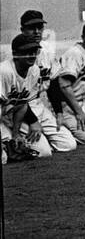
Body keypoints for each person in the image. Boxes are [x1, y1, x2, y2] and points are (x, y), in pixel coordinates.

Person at [19, 9, 77, 153]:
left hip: (39, 105)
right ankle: (15, 143)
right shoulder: (16, 53)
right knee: (44, 152)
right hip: (19, 108)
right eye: (32, 28)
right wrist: (33, 121)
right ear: (22, 30)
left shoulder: (46, 51)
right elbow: (17, 98)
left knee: (69, 144)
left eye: (40, 27)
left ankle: (35, 142)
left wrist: (58, 113)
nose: (37, 31)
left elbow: (53, 83)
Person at [2, 33, 57, 161]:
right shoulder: (4, 71)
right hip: (2, 117)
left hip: (8, 116)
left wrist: (15, 134)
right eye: (27, 51)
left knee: (44, 152)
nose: (32, 55)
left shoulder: (34, 70)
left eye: (34, 51)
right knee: (3, 158)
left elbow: (22, 105)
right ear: (15, 53)